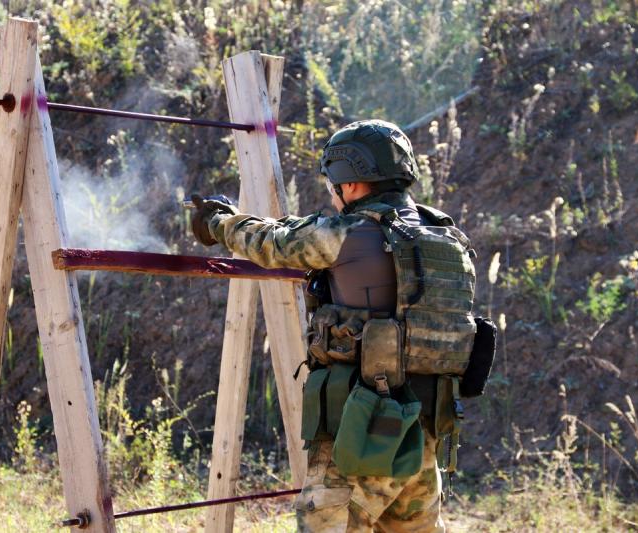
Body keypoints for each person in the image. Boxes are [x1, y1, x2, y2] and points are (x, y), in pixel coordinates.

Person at [192, 120, 482, 532]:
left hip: (368, 425)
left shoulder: (352, 233)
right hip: (430, 426)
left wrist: (219, 221)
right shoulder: (446, 238)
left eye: (333, 183)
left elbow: (273, 243)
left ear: (351, 183)